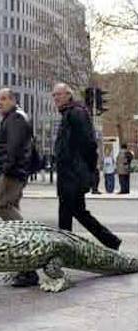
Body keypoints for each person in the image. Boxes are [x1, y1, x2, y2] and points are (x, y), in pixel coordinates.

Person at [52, 83, 121, 250]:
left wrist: (89, 170)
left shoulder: (76, 114)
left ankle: (65, 249)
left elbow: (89, 144)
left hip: (74, 173)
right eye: (54, 95)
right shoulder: (70, 113)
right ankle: (111, 241)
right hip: (70, 172)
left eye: (59, 95)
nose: (56, 98)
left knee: (67, 212)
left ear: (69, 95)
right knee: (77, 211)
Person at [0, 88, 39, 287]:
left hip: (12, 172)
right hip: (16, 171)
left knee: (2, 206)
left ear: (13, 100)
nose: (0, 102)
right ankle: (24, 267)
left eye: (4, 99)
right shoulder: (13, 117)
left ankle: (27, 241)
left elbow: (13, 147)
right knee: (10, 208)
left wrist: (4, 170)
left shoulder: (16, 119)